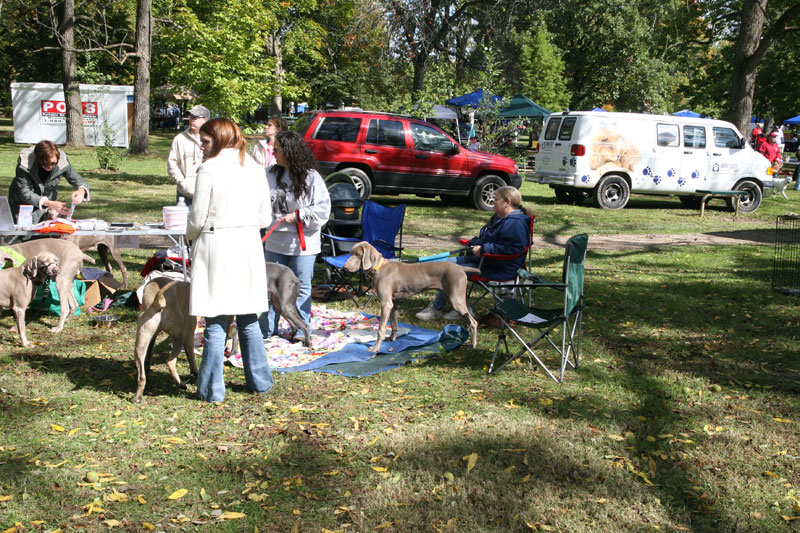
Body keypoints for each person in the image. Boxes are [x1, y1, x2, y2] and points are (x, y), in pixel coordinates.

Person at [186, 117, 274, 403]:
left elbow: (197, 216)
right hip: (248, 244)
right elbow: (265, 217)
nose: (201, 145)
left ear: (220, 140)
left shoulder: (209, 169)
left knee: (216, 317)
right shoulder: (256, 168)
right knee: (248, 317)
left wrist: (190, 236)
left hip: (216, 244)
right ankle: (260, 382)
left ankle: (212, 389)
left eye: (206, 140)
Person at [416, 186, 531, 321]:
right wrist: (473, 243)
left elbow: (514, 249)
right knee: (443, 265)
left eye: (497, 199)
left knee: (450, 272)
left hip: (500, 268)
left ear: (508, 202)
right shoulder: (500, 218)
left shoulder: (515, 223)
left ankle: (450, 309)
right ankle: (451, 308)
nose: (493, 202)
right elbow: (487, 238)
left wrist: (484, 250)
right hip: (485, 261)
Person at [259, 130, 331, 341]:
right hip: (275, 241)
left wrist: (298, 216)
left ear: (290, 152)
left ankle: (301, 330)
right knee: (268, 289)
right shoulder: (269, 174)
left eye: (277, 150)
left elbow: (323, 209)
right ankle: (266, 329)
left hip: (303, 244)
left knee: (300, 286)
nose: (273, 153)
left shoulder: (311, 177)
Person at [8, 140, 89, 224]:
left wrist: (81, 191)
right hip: (23, 206)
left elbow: (78, 180)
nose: (51, 167)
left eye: (54, 163)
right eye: (46, 163)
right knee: (25, 234)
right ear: (39, 159)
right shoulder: (24, 165)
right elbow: (24, 192)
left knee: (47, 232)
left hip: (48, 205)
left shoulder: (62, 162)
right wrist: (49, 203)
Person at [167, 104, 210, 206]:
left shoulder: (214, 139)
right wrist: (183, 184)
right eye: (190, 116)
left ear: (206, 119)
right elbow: (172, 164)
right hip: (185, 195)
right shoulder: (180, 139)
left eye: (195, 117)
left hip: (208, 194)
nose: (191, 119)